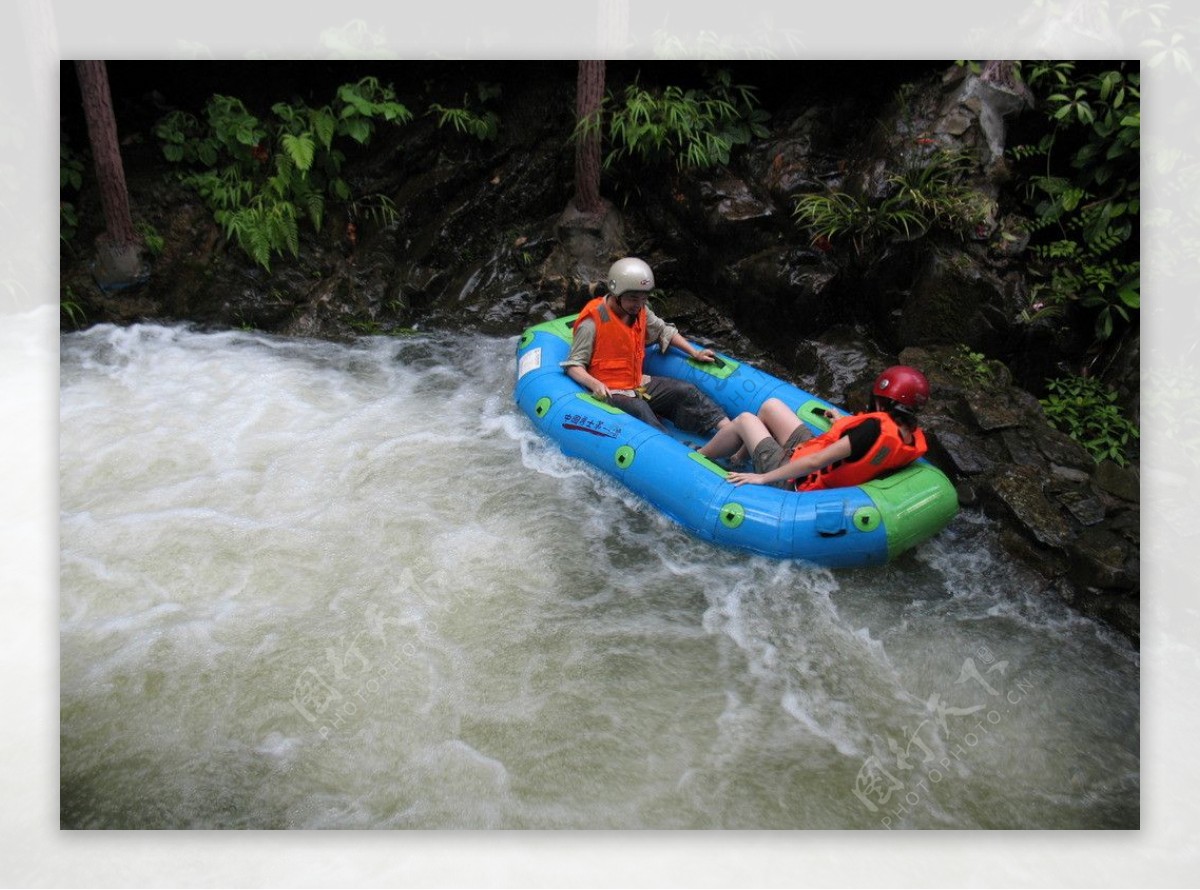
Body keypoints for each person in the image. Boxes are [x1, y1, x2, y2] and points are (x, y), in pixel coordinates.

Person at [562, 257, 733, 438]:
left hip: (637, 384)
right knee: (640, 408)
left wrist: (694, 352)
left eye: (643, 298)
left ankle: (729, 430)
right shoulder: (592, 321)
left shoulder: (640, 310)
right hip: (609, 391)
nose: (639, 304)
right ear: (616, 294)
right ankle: (670, 449)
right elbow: (574, 366)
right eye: (633, 298)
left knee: (685, 390)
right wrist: (595, 384)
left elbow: (663, 330)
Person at [697, 365, 931, 489]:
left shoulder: (872, 429)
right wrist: (841, 423)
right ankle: (739, 458)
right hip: (808, 453)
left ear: (883, 398)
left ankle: (698, 455)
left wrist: (764, 478)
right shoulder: (910, 438)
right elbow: (861, 449)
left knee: (746, 419)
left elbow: (814, 463)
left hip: (796, 479)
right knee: (771, 406)